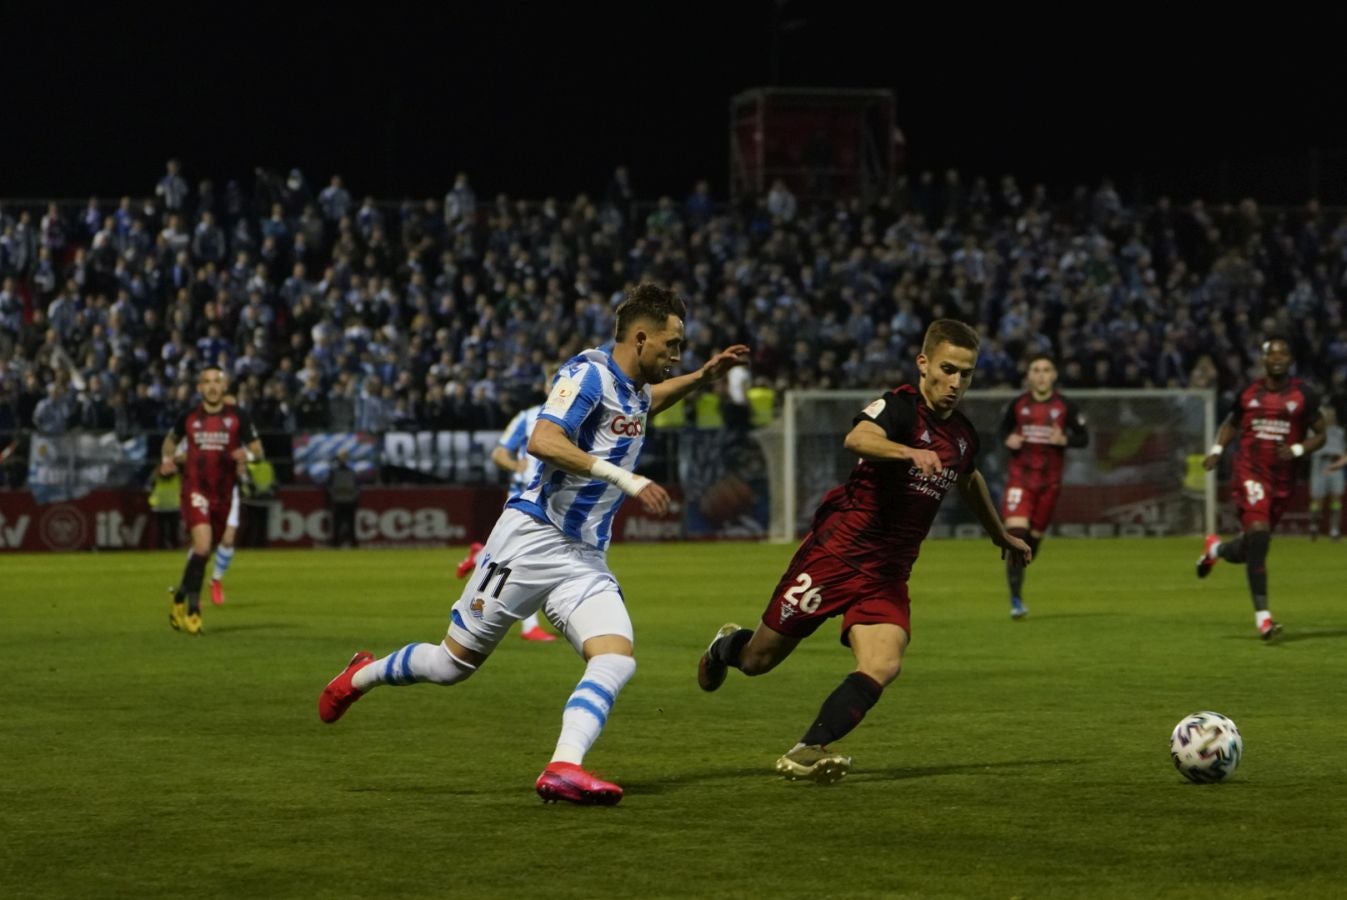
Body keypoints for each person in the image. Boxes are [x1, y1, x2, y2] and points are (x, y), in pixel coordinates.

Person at [319, 282, 750, 805]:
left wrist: (701, 377)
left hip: (584, 557)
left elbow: (641, 406)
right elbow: (543, 441)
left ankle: (563, 766)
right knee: (451, 665)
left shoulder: (635, 387)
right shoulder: (588, 373)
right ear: (640, 338)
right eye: (673, 344)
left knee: (616, 656)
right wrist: (626, 479)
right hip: (530, 538)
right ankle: (359, 674)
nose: (678, 353)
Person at [696, 319, 1031, 783]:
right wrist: (907, 453)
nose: (956, 383)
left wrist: (999, 535)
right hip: (836, 555)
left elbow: (968, 478)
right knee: (758, 662)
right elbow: (858, 438)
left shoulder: (963, 435)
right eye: (948, 369)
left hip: (887, 573)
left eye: (967, 374)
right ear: (924, 364)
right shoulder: (898, 408)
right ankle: (724, 646)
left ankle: (807, 749)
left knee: (883, 663)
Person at [1195, 337, 1326, 639]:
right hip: (1250, 471)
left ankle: (1215, 548)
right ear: (1263, 360)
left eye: (1283, 353)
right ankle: (1264, 618)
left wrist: (1296, 450)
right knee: (1259, 534)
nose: (1277, 358)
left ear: (1290, 359)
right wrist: (1216, 449)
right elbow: (1231, 422)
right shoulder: (1249, 392)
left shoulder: (1304, 395)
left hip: (1283, 480)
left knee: (1251, 546)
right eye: (1272, 354)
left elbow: (1321, 434)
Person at [160, 367, 263, 635]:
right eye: (207, 382)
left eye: (217, 381)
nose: (212, 386)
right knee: (203, 546)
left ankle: (180, 595)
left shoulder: (238, 417)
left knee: (203, 553)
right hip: (195, 490)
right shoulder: (189, 417)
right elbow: (170, 443)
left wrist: (248, 457)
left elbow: (258, 451)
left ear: (225, 385)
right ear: (200, 388)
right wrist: (167, 460)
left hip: (224, 494)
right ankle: (194, 609)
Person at [454, 398, 556, 642]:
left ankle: (478, 556)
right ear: (545, 387)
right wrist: (515, 465)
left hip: (554, 497)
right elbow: (499, 453)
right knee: (525, 560)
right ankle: (529, 626)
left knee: (524, 557)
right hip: (524, 496)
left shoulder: (579, 412)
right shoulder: (527, 416)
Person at [997, 354, 1089, 618]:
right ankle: (1015, 599)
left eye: (1046, 370)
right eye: (1036, 369)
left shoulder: (1065, 406)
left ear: (1054, 375)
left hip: (1049, 484)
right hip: (1020, 480)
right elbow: (1001, 432)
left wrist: (1066, 439)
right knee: (1016, 536)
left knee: (1032, 542)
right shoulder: (1018, 404)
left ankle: (1017, 580)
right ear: (1029, 376)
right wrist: (1009, 439)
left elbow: (1084, 437)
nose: (1041, 374)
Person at [1307, 404, 1344, 540]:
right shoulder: (1314, 432)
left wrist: (1338, 458)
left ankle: (1334, 529)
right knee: (1317, 500)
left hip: (1336, 468)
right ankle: (1313, 526)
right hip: (1319, 468)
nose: (1330, 417)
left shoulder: (1339, 432)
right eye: (1327, 414)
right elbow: (1310, 448)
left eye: (1331, 414)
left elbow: (1342, 451)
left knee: (1336, 499)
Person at [327, 448, 361, 548]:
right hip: (340, 501)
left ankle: (351, 543)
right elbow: (330, 487)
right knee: (337, 525)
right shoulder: (334, 472)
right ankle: (336, 543)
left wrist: (354, 497)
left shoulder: (350, 472)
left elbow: (356, 487)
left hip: (347, 501)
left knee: (351, 525)